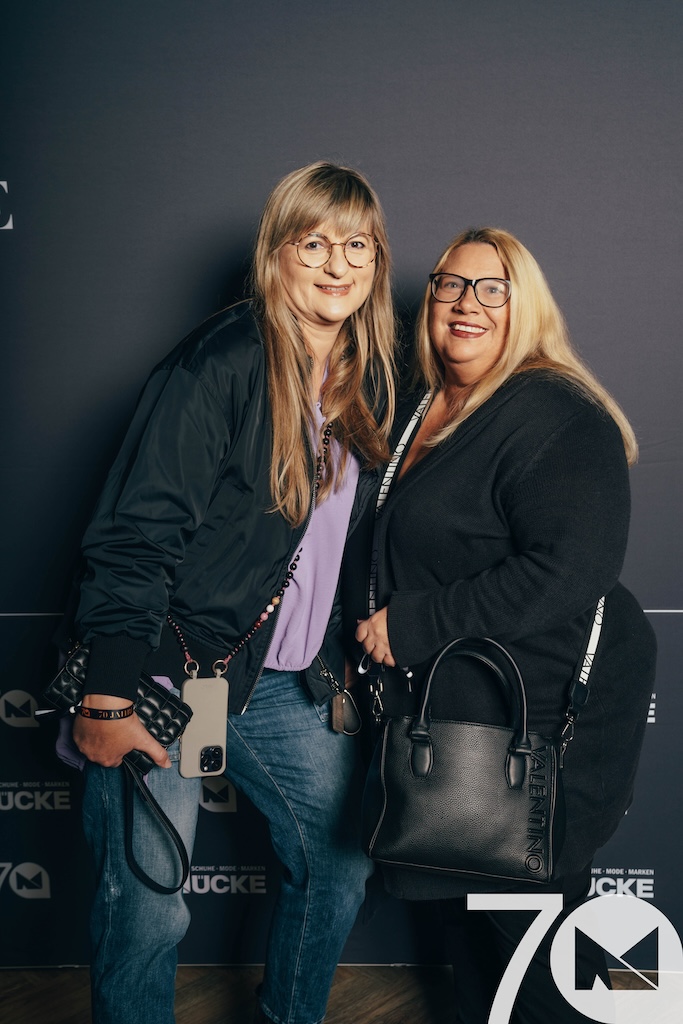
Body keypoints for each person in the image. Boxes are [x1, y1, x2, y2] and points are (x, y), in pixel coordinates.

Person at [71, 161, 396, 1024]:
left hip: (276, 679)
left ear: (376, 259)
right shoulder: (221, 362)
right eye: (313, 244)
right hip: (165, 671)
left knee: (338, 862)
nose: (337, 265)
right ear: (275, 254)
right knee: (148, 907)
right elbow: (135, 532)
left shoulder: (367, 377)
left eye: (357, 246)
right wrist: (106, 693)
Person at [352, 227, 656, 1023]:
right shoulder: (424, 405)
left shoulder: (555, 411)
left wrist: (414, 623)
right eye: (451, 284)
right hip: (455, 722)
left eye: (493, 289)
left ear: (527, 307)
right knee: (469, 944)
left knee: (531, 948)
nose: (467, 303)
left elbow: (572, 568)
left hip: (533, 722)